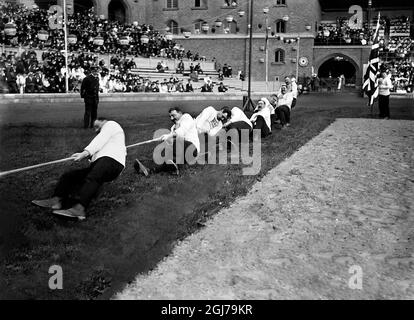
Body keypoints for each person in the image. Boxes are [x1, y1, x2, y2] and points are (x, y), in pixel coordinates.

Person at [32, 118, 126, 220]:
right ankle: (56, 201)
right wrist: (89, 156)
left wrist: (85, 153)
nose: (95, 130)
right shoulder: (111, 140)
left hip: (111, 161)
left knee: (92, 177)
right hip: (105, 164)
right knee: (70, 176)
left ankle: (79, 210)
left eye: (96, 126)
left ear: (104, 120)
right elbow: (99, 149)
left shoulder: (111, 124)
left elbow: (100, 139)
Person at [134, 107, 200, 176]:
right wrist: (163, 138)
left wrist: (169, 136)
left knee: (174, 145)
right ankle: (150, 170)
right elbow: (171, 142)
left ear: (180, 113)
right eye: (170, 116)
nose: (171, 118)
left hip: (192, 150)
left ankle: (173, 163)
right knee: (166, 155)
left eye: (173, 115)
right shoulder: (173, 128)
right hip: (183, 155)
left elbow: (182, 131)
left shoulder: (186, 118)